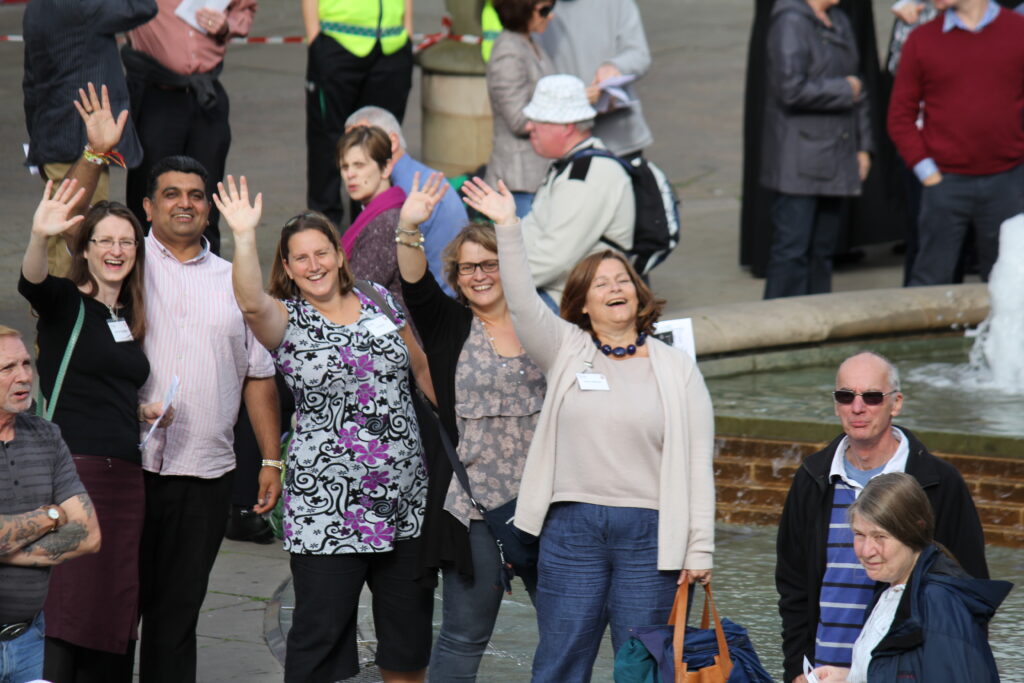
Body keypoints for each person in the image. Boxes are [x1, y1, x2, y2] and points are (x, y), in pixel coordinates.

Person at [463, 177, 715, 681]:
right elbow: (521, 300)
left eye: (622, 280)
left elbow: (696, 463)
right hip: (572, 529)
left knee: (641, 663)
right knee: (562, 658)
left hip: (650, 535)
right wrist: (508, 228)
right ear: (581, 303)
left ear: (639, 294)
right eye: (601, 283)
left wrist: (699, 547)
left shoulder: (677, 367)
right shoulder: (565, 349)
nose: (614, 288)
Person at [215, 175, 434, 683]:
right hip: (328, 510)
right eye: (301, 258)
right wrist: (245, 236)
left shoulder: (379, 298)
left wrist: (461, 433)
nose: (314, 265)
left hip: (404, 503)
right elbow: (250, 303)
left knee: (407, 640)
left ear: (339, 254)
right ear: (288, 268)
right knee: (320, 638)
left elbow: (420, 369)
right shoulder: (285, 320)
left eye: (322, 253)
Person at [136, 156, 281, 683]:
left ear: (209, 208)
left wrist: (270, 458)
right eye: (171, 194)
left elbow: (259, 375)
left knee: (177, 617)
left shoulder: (233, 281)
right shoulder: (124, 264)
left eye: (196, 195)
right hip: (129, 467)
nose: (185, 204)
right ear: (149, 206)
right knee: (117, 609)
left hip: (206, 472)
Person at [18, 180, 170, 682]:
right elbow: (33, 281)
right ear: (85, 249)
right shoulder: (66, 303)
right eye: (105, 239)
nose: (116, 250)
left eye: (126, 241)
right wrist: (40, 237)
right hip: (75, 474)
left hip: (125, 480)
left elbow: (103, 384)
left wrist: (141, 412)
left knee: (113, 603)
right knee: (67, 603)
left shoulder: (124, 317)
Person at [396, 174, 546, 679]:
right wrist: (408, 225)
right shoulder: (449, 325)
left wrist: (509, 226)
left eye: (489, 264)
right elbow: (414, 286)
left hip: (549, 502)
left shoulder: (540, 321)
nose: (479, 275)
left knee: (569, 631)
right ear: (457, 279)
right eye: (467, 269)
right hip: (477, 508)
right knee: (463, 636)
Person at [775, 351, 989, 682]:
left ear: (896, 402)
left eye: (872, 397)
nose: (857, 407)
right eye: (846, 396)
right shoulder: (811, 477)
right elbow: (793, 584)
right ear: (836, 404)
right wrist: (796, 667)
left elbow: (968, 587)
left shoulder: (937, 482)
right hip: (822, 672)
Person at [813, 473, 1012, 683]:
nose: (866, 550)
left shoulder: (938, 603)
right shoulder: (892, 590)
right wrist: (848, 678)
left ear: (914, 530)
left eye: (880, 537)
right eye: (859, 534)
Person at [887, 0, 1024, 286]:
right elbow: (900, 116)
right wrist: (928, 173)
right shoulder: (922, 40)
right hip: (945, 182)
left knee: (1010, 283)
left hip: (1008, 181)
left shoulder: (1017, 31)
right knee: (930, 281)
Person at [22, 0, 156, 276]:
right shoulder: (84, 5)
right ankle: (66, 313)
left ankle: (54, 308)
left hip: (51, 133)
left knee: (58, 230)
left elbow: (31, 81)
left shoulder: (36, 7)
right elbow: (143, 7)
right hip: (81, 138)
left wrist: (38, 142)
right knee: (77, 236)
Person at [0, 326, 101, 683]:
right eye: (8, 368)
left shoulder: (46, 436)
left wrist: (11, 547)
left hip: (28, 638)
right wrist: (53, 515)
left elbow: (88, 534)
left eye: (27, 363)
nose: (24, 376)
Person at [122, 0, 257, 255]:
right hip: (156, 94)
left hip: (207, 94)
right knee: (149, 197)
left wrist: (228, 24)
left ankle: (207, 281)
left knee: (207, 198)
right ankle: (143, 281)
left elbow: (245, 7)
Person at [759, 0, 872, 299]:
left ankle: (817, 326)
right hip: (799, 159)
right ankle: (779, 326)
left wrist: (864, 147)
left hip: (836, 155)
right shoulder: (790, 22)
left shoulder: (839, 20)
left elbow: (860, 88)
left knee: (822, 251)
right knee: (792, 249)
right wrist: (845, 89)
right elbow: (790, 89)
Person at [517, 74, 634, 307]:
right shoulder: (573, 165)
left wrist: (498, 280)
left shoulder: (587, 175)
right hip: (556, 291)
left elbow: (553, 260)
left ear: (567, 127)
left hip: (565, 301)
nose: (529, 127)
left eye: (538, 120)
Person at [304, 0, 414, 229]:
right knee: (327, 145)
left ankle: (372, 229)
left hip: (392, 45)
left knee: (381, 146)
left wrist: (407, 30)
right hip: (337, 41)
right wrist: (314, 38)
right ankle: (323, 235)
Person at [345, 106, 469, 297]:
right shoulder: (412, 179)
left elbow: (362, 290)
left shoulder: (402, 195)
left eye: (364, 137)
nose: (351, 149)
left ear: (392, 142)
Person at [536, 0, 653, 158]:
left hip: (619, 139)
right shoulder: (538, 8)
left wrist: (614, 67)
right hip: (567, 144)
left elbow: (639, 55)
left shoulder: (616, 4)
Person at [485, 0, 556, 218]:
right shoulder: (508, 52)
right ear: (522, 11)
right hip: (519, 179)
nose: (550, 16)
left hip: (536, 175)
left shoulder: (530, 43)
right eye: (544, 10)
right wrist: (567, 106)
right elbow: (518, 120)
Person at [335, 126, 409, 314]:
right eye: (345, 166)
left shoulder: (385, 223)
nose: (350, 174)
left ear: (386, 168)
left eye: (359, 165)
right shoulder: (380, 212)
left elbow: (358, 291)